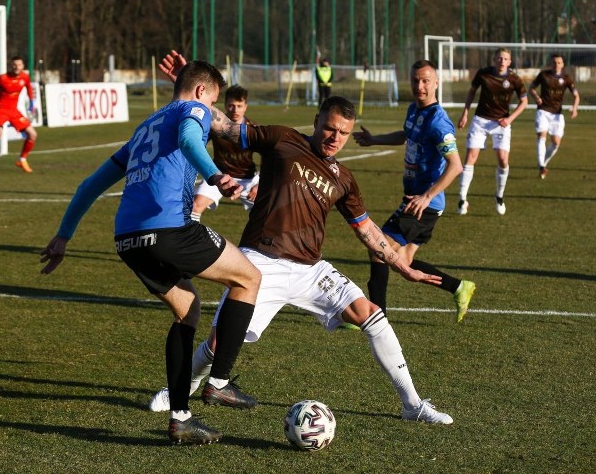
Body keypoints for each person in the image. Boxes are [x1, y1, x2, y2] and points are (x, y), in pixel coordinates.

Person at [148, 51, 454, 426]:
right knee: (217, 344)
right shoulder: (283, 140)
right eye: (330, 128)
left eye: (343, 133)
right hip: (259, 263)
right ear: (317, 121)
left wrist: (403, 266)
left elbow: (368, 231)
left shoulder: (344, 179)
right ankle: (180, 389)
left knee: (371, 315)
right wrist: (189, 90)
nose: (335, 138)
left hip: (311, 269)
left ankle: (413, 405)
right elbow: (226, 126)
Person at [39, 60, 261, 446]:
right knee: (249, 277)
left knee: (187, 309)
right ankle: (219, 382)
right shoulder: (192, 110)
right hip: (169, 228)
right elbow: (193, 140)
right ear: (202, 93)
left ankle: (180, 419)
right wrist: (214, 175)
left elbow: (89, 185)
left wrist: (63, 236)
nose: (213, 110)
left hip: (127, 239)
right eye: (214, 101)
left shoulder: (144, 129)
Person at [353, 60, 476, 323]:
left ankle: (375, 317)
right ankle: (458, 287)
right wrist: (375, 139)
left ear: (436, 83)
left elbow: (455, 166)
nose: (419, 86)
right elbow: (406, 135)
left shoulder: (439, 122)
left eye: (425, 81)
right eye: (415, 81)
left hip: (424, 203)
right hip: (415, 199)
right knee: (402, 261)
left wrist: (427, 196)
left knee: (378, 248)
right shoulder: (413, 110)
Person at [456, 47, 527, 215]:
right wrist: (465, 113)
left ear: (510, 62)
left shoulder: (515, 79)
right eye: (499, 58)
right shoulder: (483, 74)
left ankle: (499, 196)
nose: (502, 61)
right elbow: (471, 92)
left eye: (505, 59)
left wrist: (509, 119)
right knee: (470, 157)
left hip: (500, 124)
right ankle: (462, 199)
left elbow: (524, 102)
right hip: (480, 121)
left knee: (503, 160)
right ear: (494, 59)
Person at [191, 85, 259, 222]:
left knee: (267, 215)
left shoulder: (253, 129)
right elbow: (197, 145)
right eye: (231, 105)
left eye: (239, 106)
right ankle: (189, 242)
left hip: (248, 179)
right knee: (194, 206)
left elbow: (271, 157)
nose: (235, 110)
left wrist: (260, 185)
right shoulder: (215, 126)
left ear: (246, 106)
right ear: (225, 105)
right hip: (220, 176)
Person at [0, 55, 38, 174]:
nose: (17, 67)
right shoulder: (3, 78)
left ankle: (22, 160)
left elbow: (29, 89)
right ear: (11, 66)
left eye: (19, 65)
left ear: (23, 66)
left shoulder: (25, 77)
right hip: (1, 110)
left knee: (32, 134)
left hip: (14, 111)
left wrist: (31, 102)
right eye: (14, 65)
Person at [528, 54, 580, 179]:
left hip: (557, 114)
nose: (556, 64)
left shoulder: (566, 78)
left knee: (556, 142)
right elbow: (531, 88)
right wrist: (536, 97)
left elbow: (576, 96)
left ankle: (543, 163)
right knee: (542, 135)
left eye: (559, 62)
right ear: (551, 64)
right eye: (554, 62)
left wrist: (575, 108)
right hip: (543, 111)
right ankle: (541, 166)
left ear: (562, 65)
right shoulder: (543, 75)